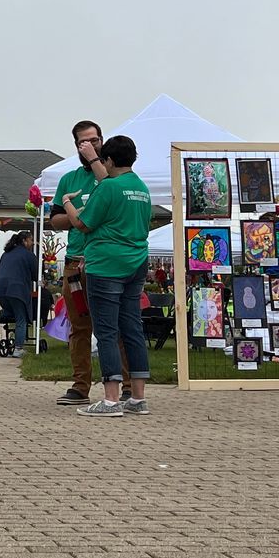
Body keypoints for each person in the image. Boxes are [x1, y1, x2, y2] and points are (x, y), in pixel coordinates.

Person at [66, 134, 172, 418]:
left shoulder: (109, 187)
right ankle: (137, 397)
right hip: (136, 263)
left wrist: (67, 203)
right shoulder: (141, 188)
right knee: (132, 328)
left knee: (106, 331)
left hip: (106, 265)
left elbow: (83, 224)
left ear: (109, 160)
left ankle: (111, 399)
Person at [45, 119, 117, 406]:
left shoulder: (111, 173)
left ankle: (121, 385)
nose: (89, 146)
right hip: (76, 262)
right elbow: (55, 219)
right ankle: (80, 385)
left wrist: (96, 159)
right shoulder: (69, 179)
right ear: (75, 145)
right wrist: (79, 217)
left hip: (106, 262)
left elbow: (110, 189)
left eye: (94, 140)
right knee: (79, 325)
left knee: (112, 325)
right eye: (82, 142)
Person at [0, 232, 35, 351]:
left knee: (11, 312)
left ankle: (0, 316)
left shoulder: (6, 253)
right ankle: (18, 349)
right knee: (21, 318)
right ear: (25, 241)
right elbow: (36, 274)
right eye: (31, 240)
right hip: (17, 289)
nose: (33, 243)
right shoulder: (28, 255)